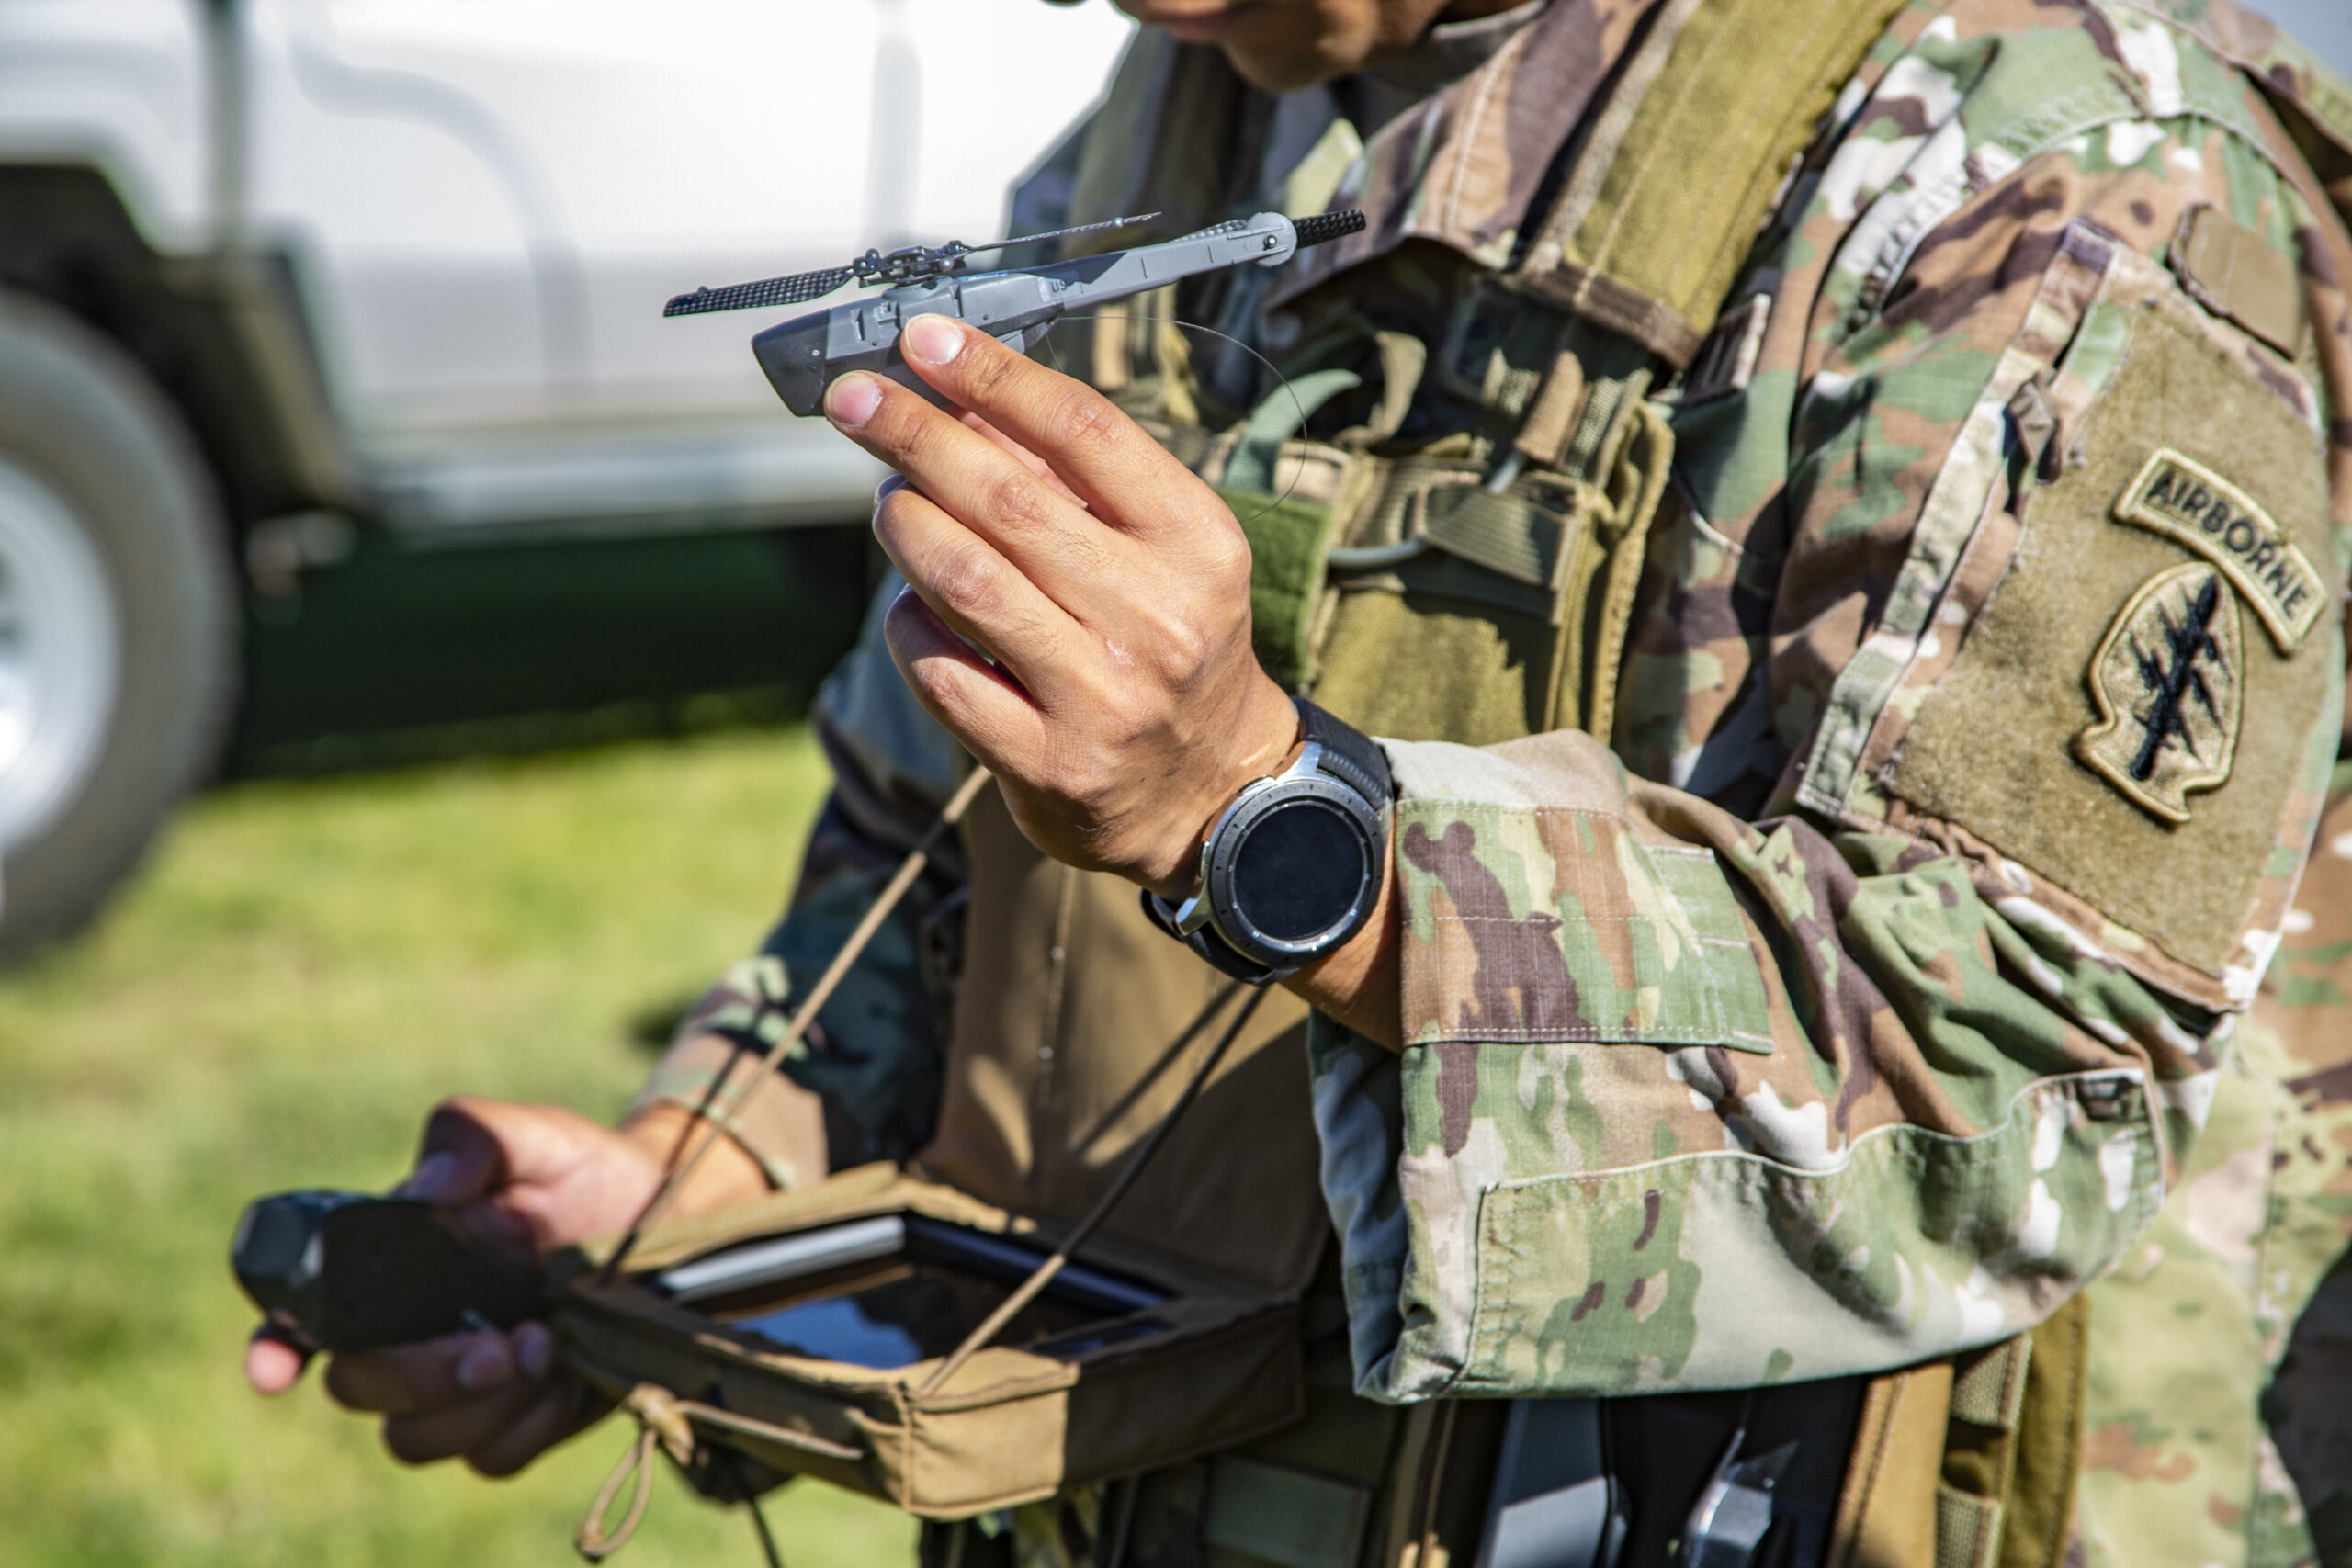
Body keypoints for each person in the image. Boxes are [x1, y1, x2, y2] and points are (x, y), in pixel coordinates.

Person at [247, 0, 2352, 1562]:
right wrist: (696, 1182)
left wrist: (1275, 827)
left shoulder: (2051, 164)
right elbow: (928, 858)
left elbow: (2015, 1072)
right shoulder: (1173, 119)